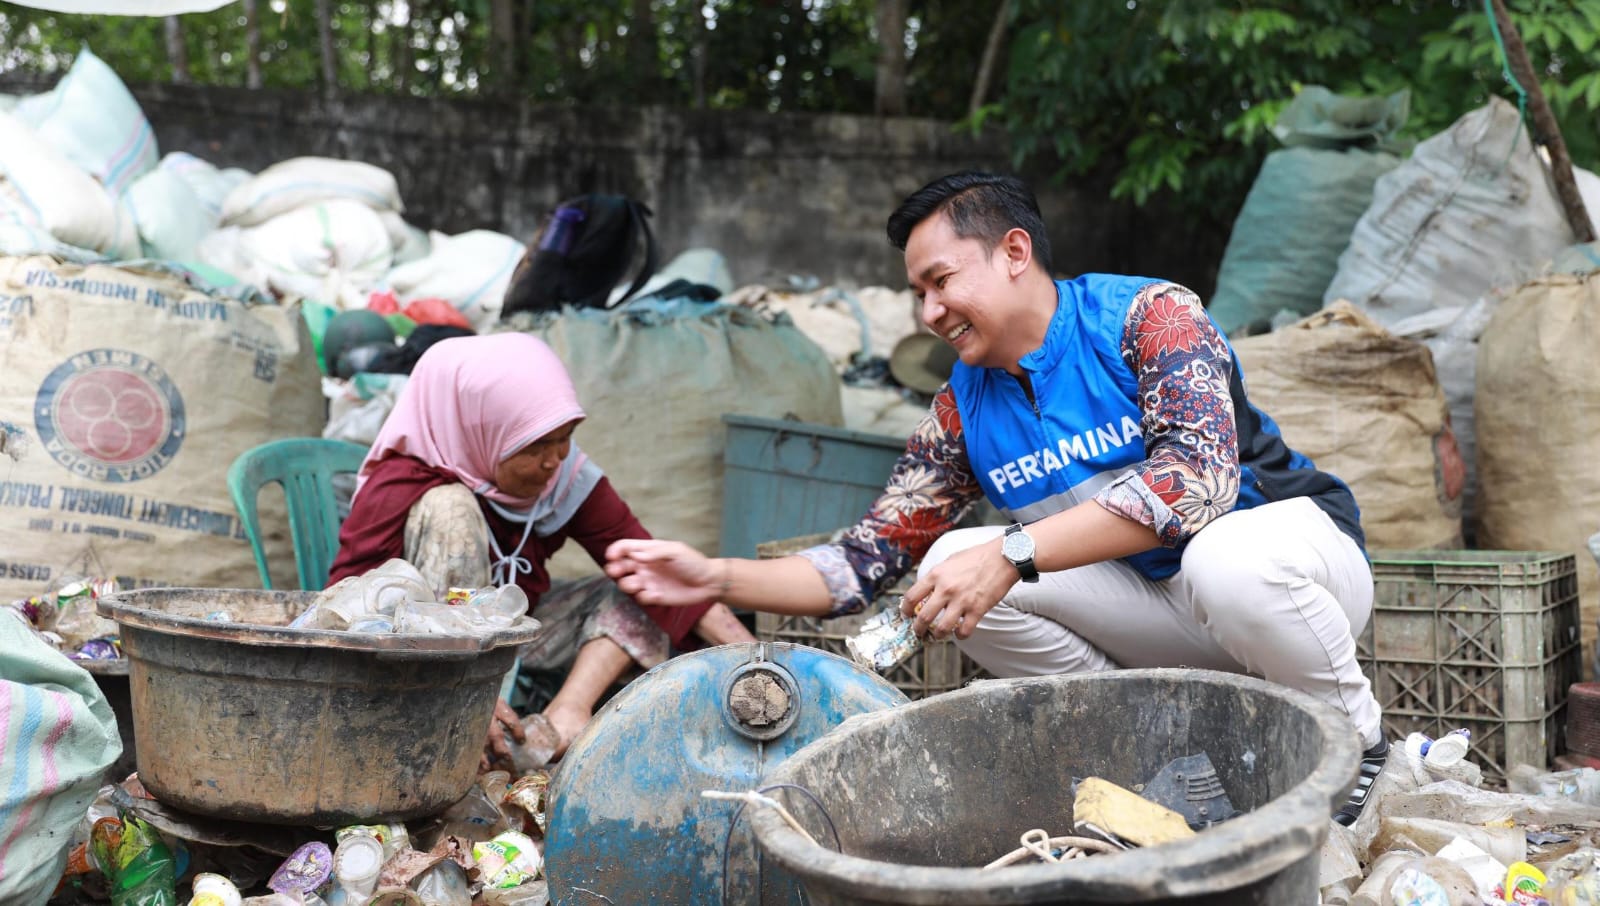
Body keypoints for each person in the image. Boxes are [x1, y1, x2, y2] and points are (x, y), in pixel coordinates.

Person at [606, 171, 1388, 826]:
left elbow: (1199, 482)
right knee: (949, 560)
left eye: (940, 281)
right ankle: (1159, 757)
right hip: (1163, 612)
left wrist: (1014, 550)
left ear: (1014, 252)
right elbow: (861, 562)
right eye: (917, 293)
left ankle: (1358, 750)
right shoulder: (963, 408)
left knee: (1220, 559)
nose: (929, 313)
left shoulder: (1148, 316)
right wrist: (714, 578)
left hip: (1285, 572)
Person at [328, 332, 754, 766]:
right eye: (534, 446)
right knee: (450, 507)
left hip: (523, 630)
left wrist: (758, 664)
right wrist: (457, 681)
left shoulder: (563, 477)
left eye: (563, 438)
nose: (554, 461)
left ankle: (567, 716)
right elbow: (343, 604)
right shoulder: (403, 481)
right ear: (480, 433)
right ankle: (457, 711)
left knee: (639, 577)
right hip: (423, 655)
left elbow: (648, 563)